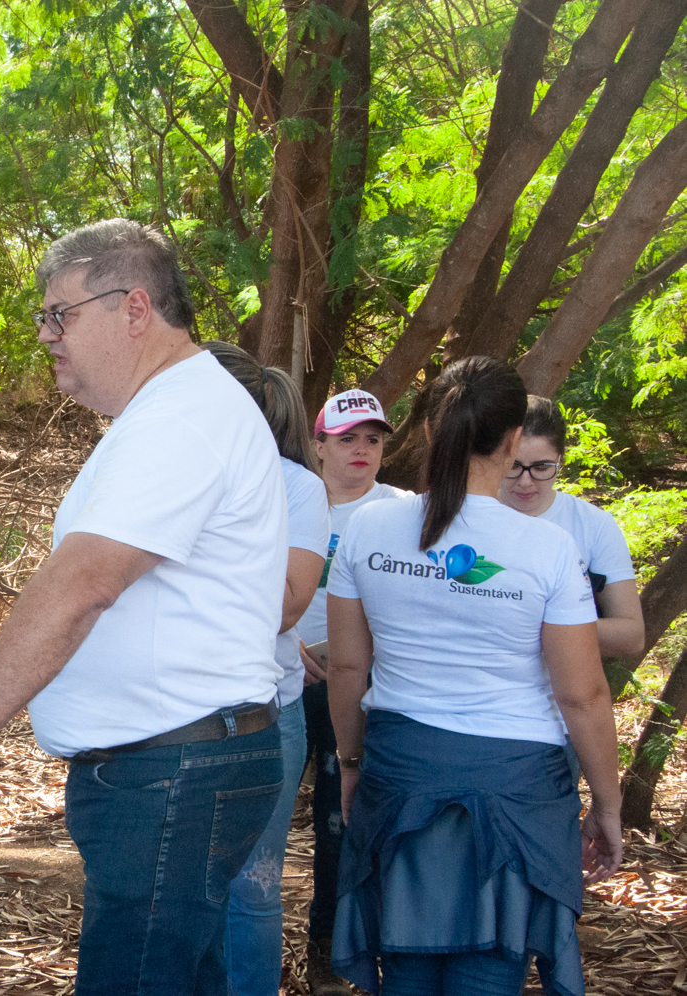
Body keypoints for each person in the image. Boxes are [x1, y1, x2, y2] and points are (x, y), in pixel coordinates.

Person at [0, 219, 290, 995]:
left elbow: (83, 582)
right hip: (174, 768)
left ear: (134, 308)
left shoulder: (182, 417)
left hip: (173, 773)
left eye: (61, 314)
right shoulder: (167, 412)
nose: (45, 335)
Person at [326, 357, 623, 996]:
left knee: (404, 961)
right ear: (514, 440)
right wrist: (608, 801)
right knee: (491, 967)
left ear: (431, 431)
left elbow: (348, 666)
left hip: (402, 769)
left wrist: (351, 764)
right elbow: (582, 692)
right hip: (516, 785)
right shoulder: (547, 550)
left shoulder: (369, 530)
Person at [204, 342, 330, 996]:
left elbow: (284, 607)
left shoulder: (296, 487)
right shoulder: (158, 476)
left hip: (264, 714)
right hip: (168, 718)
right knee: (174, 888)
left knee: (251, 885)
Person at [295, 388, 408, 995]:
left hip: (369, 686)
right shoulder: (292, 501)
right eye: (347, 439)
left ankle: (341, 950)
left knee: (346, 818)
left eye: (373, 439)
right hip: (292, 680)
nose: (362, 450)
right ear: (318, 447)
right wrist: (285, 643)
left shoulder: (402, 511)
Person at [499, 395, 644, 659]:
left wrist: (537, 619)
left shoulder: (593, 525)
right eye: (513, 466)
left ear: (561, 460)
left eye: (542, 467)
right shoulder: (465, 513)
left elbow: (631, 635)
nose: (525, 481)